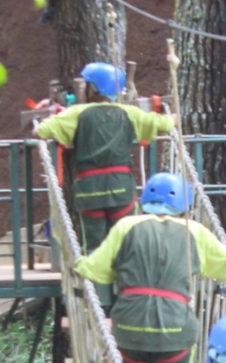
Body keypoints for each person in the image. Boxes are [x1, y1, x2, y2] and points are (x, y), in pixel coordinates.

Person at [75, 172, 226, 363]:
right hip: (174, 328)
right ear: (185, 208)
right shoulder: (193, 230)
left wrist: (78, 264)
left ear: (144, 203)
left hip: (129, 327)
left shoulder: (126, 226)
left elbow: (97, 269)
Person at [35, 62, 174, 251]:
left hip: (89, 190)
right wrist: (172, 114)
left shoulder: (76, 114)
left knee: (94, 248)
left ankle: (95, 271)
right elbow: (165, 124)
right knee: (126, 245)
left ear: (93, 88)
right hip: (120, 188)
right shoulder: (129, 113)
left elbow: (41, 130)